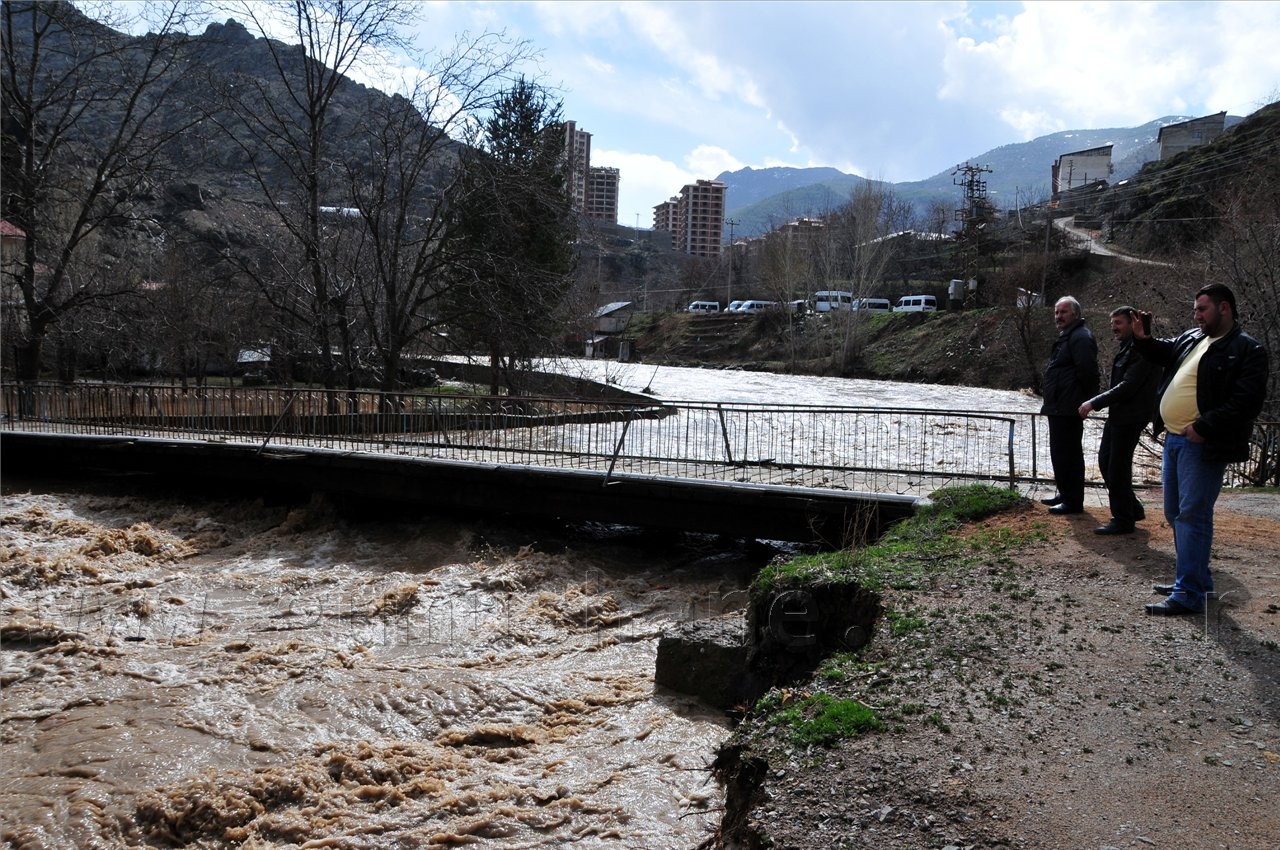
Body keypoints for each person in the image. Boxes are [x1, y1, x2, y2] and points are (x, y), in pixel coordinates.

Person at [1131, 283, 1268, 616]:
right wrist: (1144, 339)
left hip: (1202, 444)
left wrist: (1204, 427)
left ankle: (1188, 592)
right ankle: (1197, 579)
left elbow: (1246, 402)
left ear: (1224, 308)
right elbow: (1165, 352)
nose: (1197, 316)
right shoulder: (1193, 337)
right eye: (1195, 310)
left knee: (1192, 515)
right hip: (1175, 439)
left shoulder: (1247, 349)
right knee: (1174, 513)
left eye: (1202, 309)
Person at [1079, 307, 1162, 535]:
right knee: (1106, 462)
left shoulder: (1141, 349)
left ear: (1133, 323)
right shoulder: (1128, 347)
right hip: (1119, 414)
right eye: (1112, 323)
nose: (1113, 327)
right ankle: (1132, 508)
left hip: (1131, 416)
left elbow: (1128, 386)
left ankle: (1123, 519)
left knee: (1117, 467)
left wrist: (1094, 402)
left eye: (1118, 323)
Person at [1040, 296, 1098, 515]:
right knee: (1060, 452)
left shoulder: (1081, 337)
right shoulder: (1069, 336)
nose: (1059, 316)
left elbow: (1088, 372)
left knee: (1069, 454)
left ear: (1075, 314)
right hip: (1059, 405)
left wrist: (1085, 401)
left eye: (1063, 312)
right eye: (1056, 312)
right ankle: (1065, 493)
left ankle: (1073, 501)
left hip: (1069, 406)